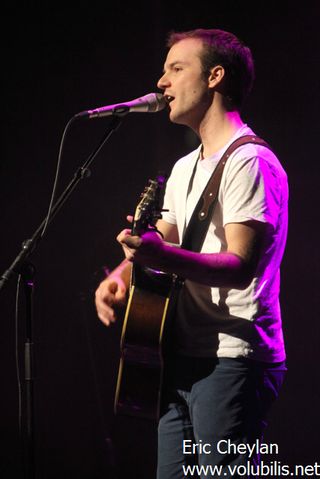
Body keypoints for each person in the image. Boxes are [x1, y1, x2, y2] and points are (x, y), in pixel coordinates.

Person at [95, 28, 288, 479]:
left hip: (233, 359)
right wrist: (122, 274)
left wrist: (158, 256)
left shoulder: (250, 162)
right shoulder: (185, 167)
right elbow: (166, 236)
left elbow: (240, 266)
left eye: (176, 69)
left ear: (216, 76)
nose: (161, 82)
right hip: (178, 356)